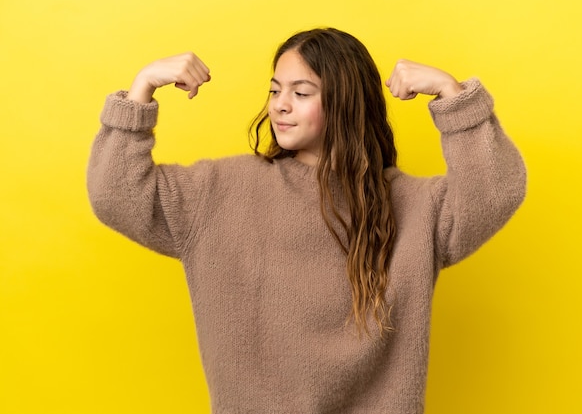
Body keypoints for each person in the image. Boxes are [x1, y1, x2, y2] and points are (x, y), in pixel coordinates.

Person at [88, 27, 526, 413]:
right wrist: (141, 88)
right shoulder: (219, 192)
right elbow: (116, 196)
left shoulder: (412, 204)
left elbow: (494, 193)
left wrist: (452, 95)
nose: (280, 105)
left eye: (300, 93)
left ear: (345, 103)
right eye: (275, 90)